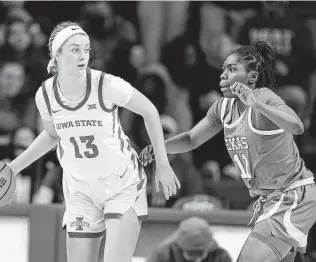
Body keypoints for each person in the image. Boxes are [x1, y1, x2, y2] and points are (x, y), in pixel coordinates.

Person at [0, 21, 180, 262]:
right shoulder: (44, 94)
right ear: (57, 53)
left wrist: (163, 164)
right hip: (79, 189)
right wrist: (14, 167)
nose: (83, 54)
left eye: (86, 49)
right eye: (75, 49)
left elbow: (149, 111)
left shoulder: (106, 84)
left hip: (121, 183)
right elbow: (53, 135)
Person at [140, 40, 316, 262]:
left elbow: (297, 126)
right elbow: (191, 139)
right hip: (268, 199)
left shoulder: (262, 97)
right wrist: (158, 148)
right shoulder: (222, 108)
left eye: (232, 69)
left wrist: (256, 104)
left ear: (251, 77)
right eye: (223, 68)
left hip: (290, 195)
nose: (223, 74)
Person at [146, 216, 231, 262]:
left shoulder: (220, 257)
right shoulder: (163, 255)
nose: (196, 260)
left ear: (209, 247)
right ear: (179, 246)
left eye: (200, 253)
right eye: (191, 253)